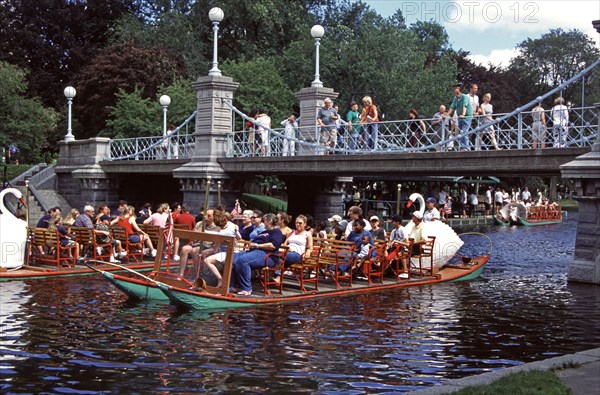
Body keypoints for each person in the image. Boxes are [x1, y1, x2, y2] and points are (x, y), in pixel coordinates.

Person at [229, 213, 285, 296]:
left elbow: (273, 246)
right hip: (254, 251)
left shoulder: (277, 232)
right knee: (232, 258)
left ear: (269, 221)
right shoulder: (264, 232)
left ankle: (247, 289)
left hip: (267, 255)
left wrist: (257, 245)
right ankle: (233, 285)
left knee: (243, 261)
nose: (263, 222)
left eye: (264, 221)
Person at [274, 214, 314, 284]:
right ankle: (277, 277)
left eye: (300, 223)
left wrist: (308, 252)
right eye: (296, 223)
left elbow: (310, 247)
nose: (298, 224)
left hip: (298, 254)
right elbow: (285, 244)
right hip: (287, 253)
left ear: (305, 224)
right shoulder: (292, 233)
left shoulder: (307, 234)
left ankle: (276, 275)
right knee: (275, 254)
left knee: (282, 256)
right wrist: (286, 248)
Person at [444, 84, 473, 151]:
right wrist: (447, 115)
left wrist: (463, 114)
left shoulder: (464, 97)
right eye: (455, 93)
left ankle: (466, 147)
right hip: (460, 118)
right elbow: (452, 107)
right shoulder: (455, 98)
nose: (456, 95)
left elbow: (464, 106)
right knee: (461, 132)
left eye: (457, 93)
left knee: (464, 132)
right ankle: (463, 147)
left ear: (460, 92)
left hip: (467, 117)